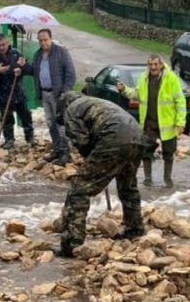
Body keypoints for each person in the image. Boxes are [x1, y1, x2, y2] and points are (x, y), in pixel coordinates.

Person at [53, 92, 146, 257]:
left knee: (79, 188)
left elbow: (81, 141)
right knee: (127, 184)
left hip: (114, 138)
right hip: (137, 136)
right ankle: (135, 229)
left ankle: (71, 244)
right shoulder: (95, 101)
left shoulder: (71, 109)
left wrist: (90, 159)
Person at [117, 54, 186, 188]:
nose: (153, 67)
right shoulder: (143, 78)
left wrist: (180, 122)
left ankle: (167, 179)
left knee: (169, 153)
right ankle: (148, 179)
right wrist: (124, 90)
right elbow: (136, 94)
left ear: (161, 65)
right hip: (149, 123)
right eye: (150, 64)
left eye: (155, 64)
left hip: (167, 124)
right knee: (146, 151)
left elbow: (180, 101)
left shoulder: (171, 78)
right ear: (148, 65)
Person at [31, 28, 76, 166]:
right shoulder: (37, 55)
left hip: (59, 95)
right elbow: (34, 71)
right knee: (50, 123)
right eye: (40, 40)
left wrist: (65, 92)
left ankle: (65, 153)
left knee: (61, 124)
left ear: (51, 38)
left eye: (45, 39)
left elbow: (71, 74)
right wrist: (22, 67)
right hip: (45, 94)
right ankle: (57, 150)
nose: (43, 42)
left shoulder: (61, 52)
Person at [0, 34, 34, 149]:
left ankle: (30, 138)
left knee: (26, 116)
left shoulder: (16, 53)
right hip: (2, 93)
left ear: (8, 43)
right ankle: (9, 140)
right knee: (6, 118)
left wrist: (22, 68)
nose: (1, 47)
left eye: (3, 44)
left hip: (18, 91)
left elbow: (30, 70)